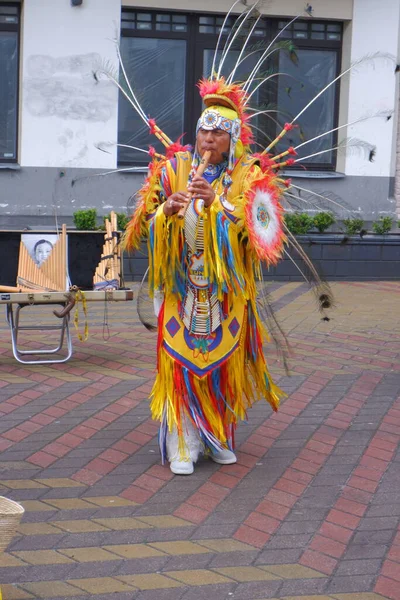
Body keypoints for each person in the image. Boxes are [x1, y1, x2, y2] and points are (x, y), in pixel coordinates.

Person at [124, 80, 288, 475]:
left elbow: (263, 238)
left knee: (221, 363)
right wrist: (168, 212)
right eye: (203, 130)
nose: (208, 139)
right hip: (182, 288)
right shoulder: (173, 170)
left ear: (233, 138)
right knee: (181, 363)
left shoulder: (249, 176)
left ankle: (216, 437)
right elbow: (139, 227)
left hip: (226, 292)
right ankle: (183, 441)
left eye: (218, 132)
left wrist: (220, 204)